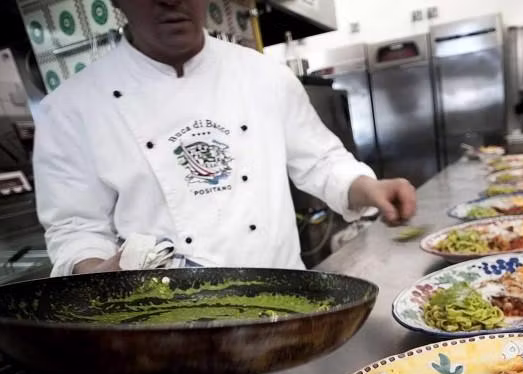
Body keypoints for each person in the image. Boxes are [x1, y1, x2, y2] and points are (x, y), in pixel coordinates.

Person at [34, 0, 416, 276]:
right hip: (169, 328)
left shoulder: (266, 76)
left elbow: (322, 161)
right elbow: (75, 227)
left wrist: (370, 187)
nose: (170, 2)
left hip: (289, 301)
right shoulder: (70, 108)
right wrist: (95, 272)